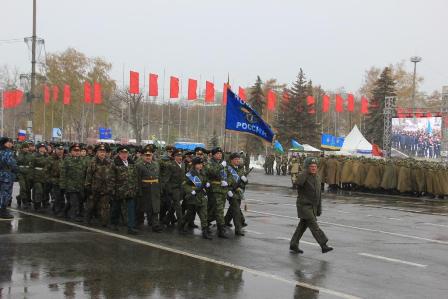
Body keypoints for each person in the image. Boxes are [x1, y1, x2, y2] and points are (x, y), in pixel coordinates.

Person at [290, 157, 333, 254]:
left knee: (302, 226)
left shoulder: (317, 177)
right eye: (311, 166)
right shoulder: (304, 175)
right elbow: (297, 183)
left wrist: (319, 209)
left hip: (313, 206)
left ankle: (294, 244)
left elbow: (319, 195)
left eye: (315, 166)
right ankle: (323, 244)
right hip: (304, 206)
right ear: (307, 167)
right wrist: (305, 172)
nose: (314, 168)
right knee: (314, 226)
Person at [179, 157, 212, 239]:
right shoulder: (190, 174)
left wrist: (208, 183)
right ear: (194, 165)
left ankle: (204, 231)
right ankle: (182, 224)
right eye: (198, 164)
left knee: (204, 215)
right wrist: (191, 190)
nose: (200, 166)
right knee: (189, 214)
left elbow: (206, 179)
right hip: (193, 198)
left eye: (201, 164)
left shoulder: (203, 172)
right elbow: (184, 185)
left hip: (202, 197)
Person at [85, 144, 114, 227]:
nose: (102, 153)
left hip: (105, 188)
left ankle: (104, 222)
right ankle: (87, 219)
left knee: (105, 206)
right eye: (100, 152)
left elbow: (112, 175)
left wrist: (111, 186)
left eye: (103, 152)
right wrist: (88, 186)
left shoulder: (109, 162)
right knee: (91, 205)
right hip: (94, 188)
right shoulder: (93, 162)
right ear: (97, 152)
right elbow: (88, 175)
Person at [111, 146, 138, 234]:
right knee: (116, 208)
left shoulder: (131, 163)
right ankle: (114, 223)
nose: (124, 155)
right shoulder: (115, 163)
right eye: (122, 153)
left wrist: (135, 187)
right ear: (119, 154)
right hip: (119, 190)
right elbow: (111, 178)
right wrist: (112, 190)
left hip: (130, 190)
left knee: (131, 208)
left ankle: (131, 227)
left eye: (126, 153)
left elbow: (134, 176)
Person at [136, 149, 163, 232]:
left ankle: (155, 225)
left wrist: (160, 189)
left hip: (155, 188)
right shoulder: (139, 165)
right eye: (146, 155)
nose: (148, 157)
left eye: (149, 155)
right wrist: (139, 191)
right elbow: (137, 179)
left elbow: (159, 177)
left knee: (155, 208)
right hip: (145, 189)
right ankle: (138, 222)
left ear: (152, 156)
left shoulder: (156, 164)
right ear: (143, 156)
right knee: (142, 207)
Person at [205, 147, 229, 238]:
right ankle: (221, 230)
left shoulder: (223, 163)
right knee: (219, 210)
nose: (220, 155)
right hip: (214, 189)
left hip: (223, 189)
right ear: (213, 155)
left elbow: (228, 174)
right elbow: (212, 172)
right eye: (218, 153)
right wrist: (221, 166)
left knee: (215, 210)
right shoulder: (210, 163)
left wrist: (227, 182)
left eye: (220, 153)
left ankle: (206, 223)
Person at [60, 143, 87, 221]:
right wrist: (63, 185)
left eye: (78, 150)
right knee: (74, 201)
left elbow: (85, 173)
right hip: (70, 185)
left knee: (74, 201)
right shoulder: (67, 161)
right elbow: (63, 174)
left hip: (80, 185)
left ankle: (64, 212)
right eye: (75, 151)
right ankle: (74, 216)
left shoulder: (83, 161)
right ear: (71, 152)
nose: (77, 152)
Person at [224, 153, 248, 236]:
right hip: (230, 192)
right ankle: (238, 229)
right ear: (231, 160)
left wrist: (245, 181)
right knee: (236, 211)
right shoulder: (227, 169)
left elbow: (243, 183)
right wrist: (228, 191)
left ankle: (225, 222)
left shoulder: (240, 169)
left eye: (239, 159)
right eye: (236, 159)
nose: (238, 160)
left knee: (232, 209)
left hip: (238, 193)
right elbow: (223, 181)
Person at [165, 149, 186, 227]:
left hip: (181, 189)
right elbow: (166, 179)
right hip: (174, 189)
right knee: (178, 206)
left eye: (181, 156)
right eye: (178, 156)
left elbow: (184, 177)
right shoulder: (170, 165)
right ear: (174, 157)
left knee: (174, 205)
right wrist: (169, 190)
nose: (180, 157)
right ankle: (181, 224)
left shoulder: (183, 164)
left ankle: (167, 219)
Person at [0, 137, 18, 219]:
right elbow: (11, 163)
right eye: (8, 142)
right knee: (6, 194)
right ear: (5, 143)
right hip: (6, 176)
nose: (10, 144)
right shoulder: (8, 152)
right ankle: (3, 211)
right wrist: (16, 169)